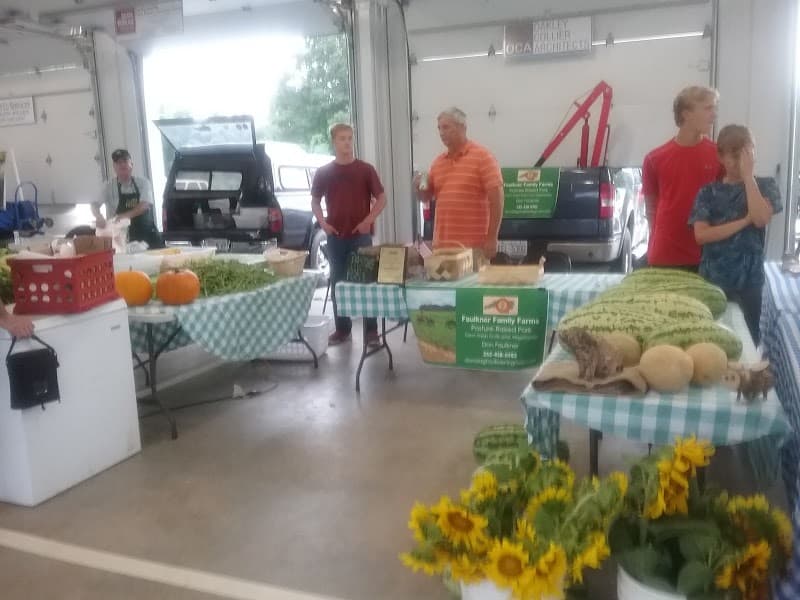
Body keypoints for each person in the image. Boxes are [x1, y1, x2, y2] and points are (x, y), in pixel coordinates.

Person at [689, 125, 780, 344]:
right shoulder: (708, 192)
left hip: (750, 281)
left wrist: (749, 178)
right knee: (713, 342)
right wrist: (744, 221)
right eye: (736, 155)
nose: (742, 161)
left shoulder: (766, 186)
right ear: (721, 156)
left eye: (748, 153)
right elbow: (701, 236)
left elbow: (760, 218)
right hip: (714, 280)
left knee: (748, 340)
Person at [311, 124, 387, 346]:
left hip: (361, 236)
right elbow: (315, 201)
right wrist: (323, 223)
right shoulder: (324, 173)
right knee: (337, 282)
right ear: (334, 141)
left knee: (366, 282)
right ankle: (343, 329)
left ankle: (371, 331)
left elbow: (382, 199)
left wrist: (368, 221)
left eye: (350, 138)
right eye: (342, 138)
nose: (347, 143)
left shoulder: (365, 170)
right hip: (336, 237)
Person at [643, 86, 722, 269]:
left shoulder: (719, 156)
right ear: (686, 114)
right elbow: (651, 209)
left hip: (706, 255)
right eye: (708, 108)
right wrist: (654, 244)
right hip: (665, 255)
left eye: (714, 108)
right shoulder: (654, 159)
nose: (714, 114)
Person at [414, 107, 504, 259]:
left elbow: (497, 200)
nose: (441, 133)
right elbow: (425, 198)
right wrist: (418, 187)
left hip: (473, 249)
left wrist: (492, 238)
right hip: (442, 249)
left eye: (446, 127)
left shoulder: (483, 157)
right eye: (439, 128)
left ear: (463, 127)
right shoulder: (437, 162)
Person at [92, 149, 164, 249]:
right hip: (123, 238)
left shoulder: (143, 183)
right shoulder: (108, 186)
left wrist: (124, 216)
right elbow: (94, 204)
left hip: (147, 237)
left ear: (131, 164)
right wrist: (98, 216)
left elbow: (144, 205)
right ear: (114, 167)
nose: (122, 165)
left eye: (125, 161)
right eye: (118, 162)